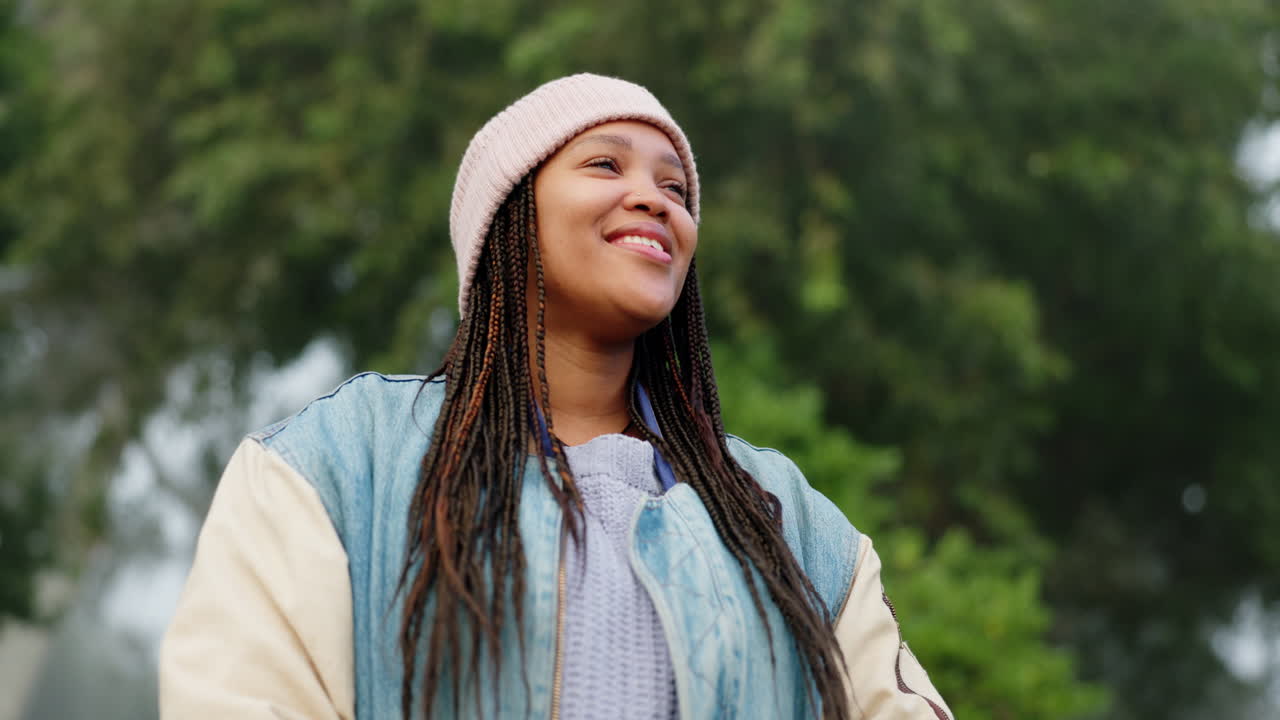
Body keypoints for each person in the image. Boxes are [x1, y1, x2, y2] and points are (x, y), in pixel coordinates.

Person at [159, 73, 953, 720]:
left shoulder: (789, 523)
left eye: (674, 186)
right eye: (606, 165)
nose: (655, 199)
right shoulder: (338, 465)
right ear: (507, 217)